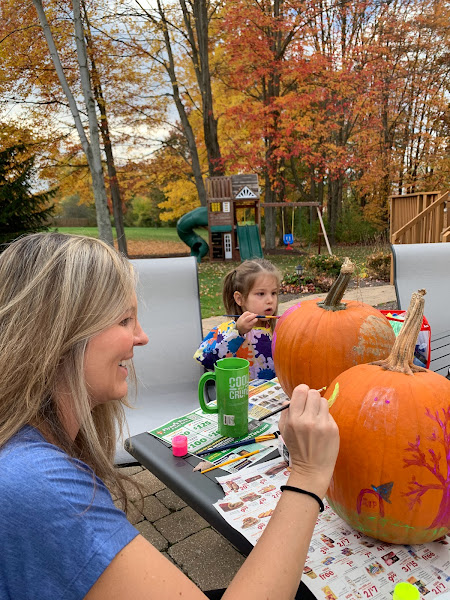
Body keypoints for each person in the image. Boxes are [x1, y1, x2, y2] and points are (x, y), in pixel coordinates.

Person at [0, 232, 339, 600]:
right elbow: (207, 355)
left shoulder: (32, 457)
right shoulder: (37, 485)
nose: (142, 337)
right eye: (125, 319)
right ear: (61, 334)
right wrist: (308, 474)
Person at [194, 258, 281, 380]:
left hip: (270, 396)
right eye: (261, 294)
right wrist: (237, 332)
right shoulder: (228, 330)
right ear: (239, 299)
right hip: (238, 396)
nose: (270, 300)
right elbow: (205, 359)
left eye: (274, 293)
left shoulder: (278, 331)